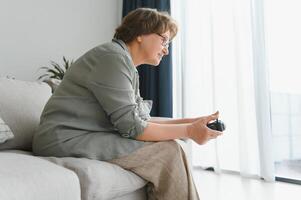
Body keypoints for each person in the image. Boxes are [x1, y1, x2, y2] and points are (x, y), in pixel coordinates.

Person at [32, 8, 223, 200]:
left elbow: (141, 120)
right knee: (168, 151)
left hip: (86, 135)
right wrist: (189, 131)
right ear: (141, 34)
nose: (166, 49)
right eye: (164, 40)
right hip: (63, 139)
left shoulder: (125, 64)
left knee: (172, 146)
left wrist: (194, 122)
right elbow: (134, 127)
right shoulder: (111, 58)